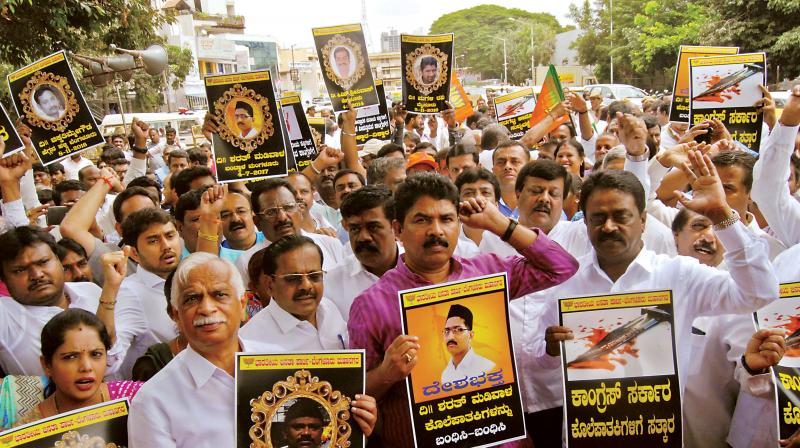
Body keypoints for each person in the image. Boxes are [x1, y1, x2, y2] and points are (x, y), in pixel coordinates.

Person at [532, 163, 779, 444]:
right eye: (598, 218)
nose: (609, 226)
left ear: (643, 221)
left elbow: (759, 293)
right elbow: (539, 360)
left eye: (621, 216)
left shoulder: (680, 275)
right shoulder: (566, 284)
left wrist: (722, 216)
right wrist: (551, 349)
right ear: (585, 222)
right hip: (589, 435)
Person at [348, 172, 578, 448]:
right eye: (422, 220)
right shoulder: (372, 304)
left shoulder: (488, 274)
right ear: (398, 229)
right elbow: (354, 396)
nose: (436, 231)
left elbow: (562, 266)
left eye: (446, 219)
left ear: (459, 223)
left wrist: (502, 225)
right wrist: (386, 373)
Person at [128, 253, 377, 446]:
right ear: (175, 315)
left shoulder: (283, 363)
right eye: (192, 299)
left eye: (219, 294)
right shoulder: (153, 401)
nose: (206, 308)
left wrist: (352, 427)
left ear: (242, 304)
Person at [0, 226, 101, 375]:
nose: (36, 275)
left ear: (59, 262)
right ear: (4, 280)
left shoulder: (91, 291)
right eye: (20, 270)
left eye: (43, 262)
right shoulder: (6, 315)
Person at [15, 309, 142, 425]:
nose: (86, 367)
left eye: (96, 354)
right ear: (47, 365)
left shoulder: (138, 399)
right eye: (71, 357)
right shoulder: (29, 432)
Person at [106, 208, 181, 379]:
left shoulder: (189, 277)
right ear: (134, 253)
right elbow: (109, 361)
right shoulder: (129, 293)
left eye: (170, 236)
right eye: (153, 241)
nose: (166, 246)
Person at [240, 235, 347, 349]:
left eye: (314, 276)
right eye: (293, 279)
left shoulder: (330, 309)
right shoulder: (250, 342)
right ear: (270, 285)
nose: (306, 286)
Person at [235, 179, 344, 284]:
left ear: (300, 211)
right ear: (257, 222)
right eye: (271, 212)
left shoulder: (331, 245)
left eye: (288, 207)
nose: (282, 218)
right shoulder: (246, 262)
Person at [324, 186, 400, 319]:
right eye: (355, 228)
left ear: (395, 228)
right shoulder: (332, 283)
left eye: (373, 227)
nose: (363, 237)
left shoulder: (424, 268)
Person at [440, 304, 495, 384]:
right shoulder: (445, 375)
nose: (450, 337)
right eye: (447, 331)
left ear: (470, 335)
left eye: (458, 330)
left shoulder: (488, 368)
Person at [492, 140, 529, 219]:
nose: (507, 166)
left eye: (515, 161)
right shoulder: (485, 205)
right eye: (501, 162)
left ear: (528, 168)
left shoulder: (542, 203)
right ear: (493, 170)